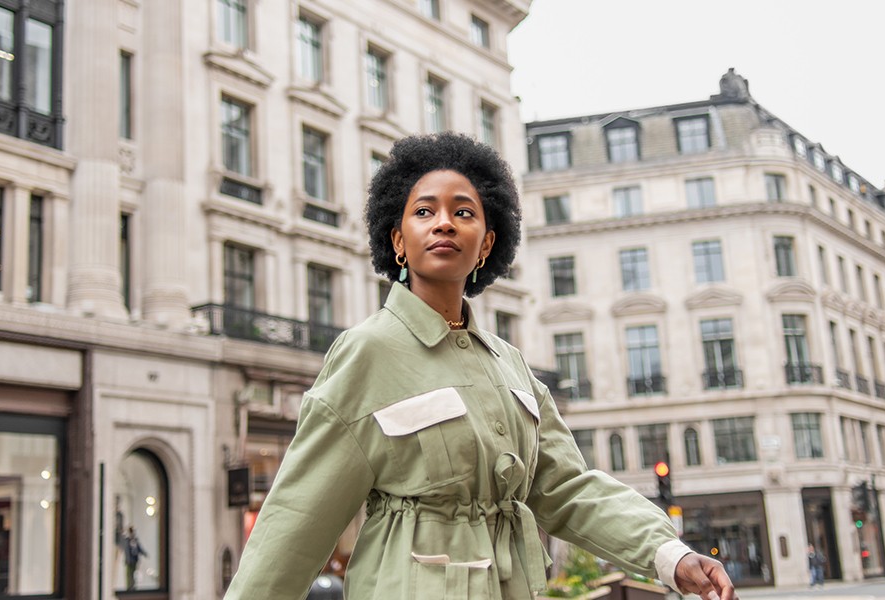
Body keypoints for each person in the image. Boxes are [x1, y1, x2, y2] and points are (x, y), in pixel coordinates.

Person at [224, 133, 734, 599]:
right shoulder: (368, 352)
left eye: (464, 212)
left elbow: (566, 488)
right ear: (398, 240)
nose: (444, 222)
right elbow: (296, 520)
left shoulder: (511, 366)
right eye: (424, 211)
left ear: (487, 244)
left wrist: (669, 554)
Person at [122, 526, 147, 590]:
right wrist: (127, 560)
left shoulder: (135, 540)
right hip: (129, 561)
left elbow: (139, 548)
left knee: (133, 573)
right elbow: (127, 551)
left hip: (134, 560)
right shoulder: (127, 540)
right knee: (129, 574)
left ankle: (133, 586)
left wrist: (144, 553)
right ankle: (129, 586)